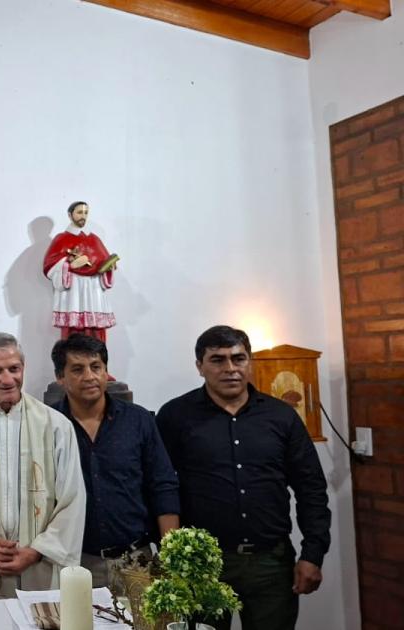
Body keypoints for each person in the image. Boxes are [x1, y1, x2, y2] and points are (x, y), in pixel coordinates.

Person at [156, 325, 331, 630]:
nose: (230, 368)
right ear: (199, 366)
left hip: (270, 563)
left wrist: (313, 554)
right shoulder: (175, 416)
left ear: (250, 362)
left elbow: (311, 488)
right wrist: (169, 556)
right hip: (201, 565)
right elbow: (159, 486)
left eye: (238, 359)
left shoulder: (281, 416)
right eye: (217, 360)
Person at [0, 332, 85, 600]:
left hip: (40, 563)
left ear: (24, 367)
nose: (8, 379)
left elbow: (72, 499)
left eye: (14, 369)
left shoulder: (56, 426)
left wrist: (35, 551)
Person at [49, 334, 179, 589]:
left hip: (136, 560)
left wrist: (171, 554)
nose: (89, 376)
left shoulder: (138, 420)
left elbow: (163, 485)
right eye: (77, 369)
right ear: (60, 377)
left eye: (96, 367)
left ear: (105, 372)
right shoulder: (49, 424)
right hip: (75, 563)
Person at [42, 201, 117, 341]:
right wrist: (70, 265)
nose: (83, 216)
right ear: (70, 215)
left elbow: (103, 262)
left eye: (86, 212)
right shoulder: (61, 239)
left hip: (94, 292)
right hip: (73, 293)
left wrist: (108, 267)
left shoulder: (94, 239)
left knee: (96, 336)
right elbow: (50, 266)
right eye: (79, 212)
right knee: (74, 336)